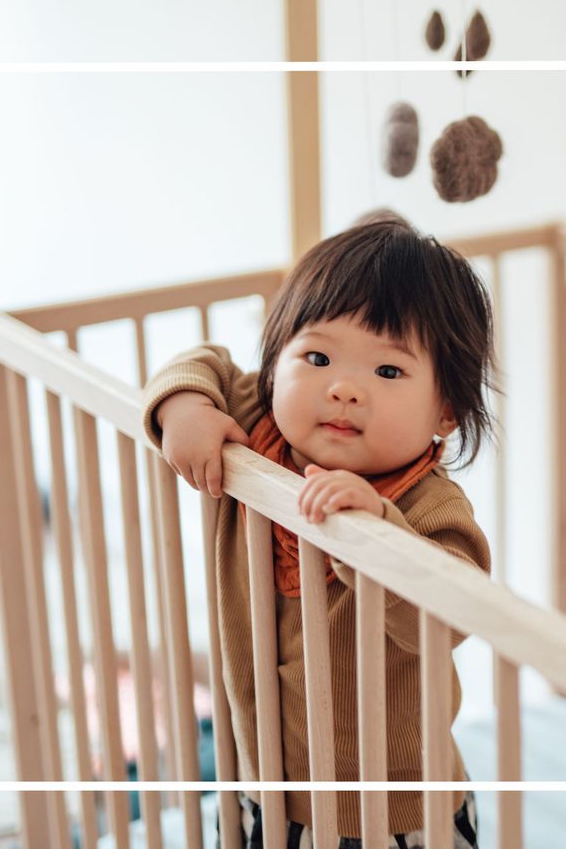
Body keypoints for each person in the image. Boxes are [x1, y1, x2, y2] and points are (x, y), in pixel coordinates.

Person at [141, 211, 496, 848]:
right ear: (276, 365)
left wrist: (377, 534)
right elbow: (202, 362)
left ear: (445, 410)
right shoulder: (254, 430)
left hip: (395, 810)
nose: (342, 388)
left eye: (387, 372)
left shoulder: (430, 507)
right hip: (267, 778)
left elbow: (446, 615)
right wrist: (185, 405)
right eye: (318, 355)